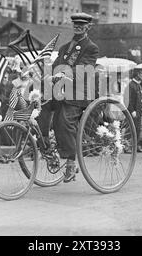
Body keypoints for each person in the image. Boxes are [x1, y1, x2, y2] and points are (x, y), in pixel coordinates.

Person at [37, 12, 99, 182]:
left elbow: (84, 68)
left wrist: (64, 74)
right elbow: (56, 65)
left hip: (78, 92)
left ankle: (71, 162)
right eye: (75, 24)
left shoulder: (91, 48)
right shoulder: (65, 48)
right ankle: (46, 148)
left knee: (64, 120)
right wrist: (46, 75)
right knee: (39, 109)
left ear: (88, 27)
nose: (78, 26)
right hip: (60, 89)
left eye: (82, 24)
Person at [127, 68, 142, 152]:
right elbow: (127, 100)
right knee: (130, 129)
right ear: (137, 74)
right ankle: (128, 147)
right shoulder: (131, 85)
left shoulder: (138, 85)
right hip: (133, 112)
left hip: (138, 111)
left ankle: (135, 146)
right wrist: (132, 110)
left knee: (137, 129)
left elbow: (139, 99)